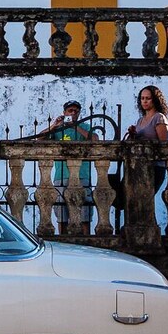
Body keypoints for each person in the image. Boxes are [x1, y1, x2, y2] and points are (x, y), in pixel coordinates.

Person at [41, 100, 98, 234]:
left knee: (84, 212)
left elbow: (95, 140)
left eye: (75, 111)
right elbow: (39, 139)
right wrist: (54, 126)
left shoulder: (84, 126)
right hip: (61, 175)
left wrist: (76, 127)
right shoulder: (58, 128)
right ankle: (63, 239)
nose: (73, 113)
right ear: (64, 112)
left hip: (82, 175)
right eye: (70, 111)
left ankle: (86, 242)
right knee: (62, 213)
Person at [126, 85, 168, 192]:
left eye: (148, 98)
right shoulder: (140, 120)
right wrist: (132, 135)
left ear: (155, 100)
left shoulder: (159, 118)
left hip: (155, 167)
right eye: (142, 98)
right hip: (138, 166)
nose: (144, 101)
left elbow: (164, 146)